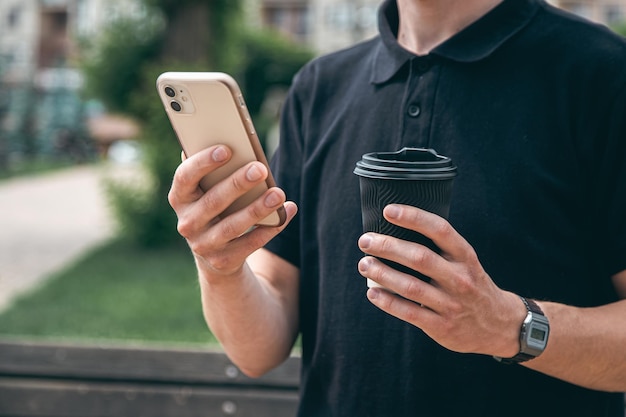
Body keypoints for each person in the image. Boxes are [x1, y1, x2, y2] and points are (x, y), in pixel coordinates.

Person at [167, 0, 626, 415]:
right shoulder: (319, 88)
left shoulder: (602, 73)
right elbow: (258, 349)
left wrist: (509, 326)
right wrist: (219, 267)